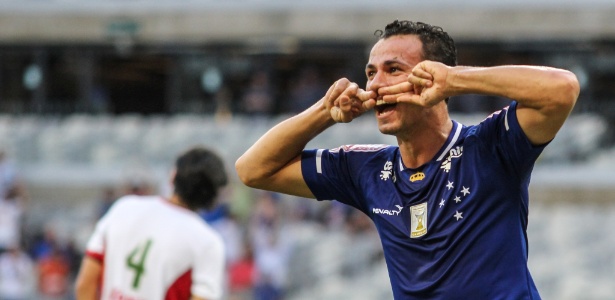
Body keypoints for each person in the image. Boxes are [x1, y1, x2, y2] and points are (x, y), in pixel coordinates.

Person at [235, 20, 580, 299]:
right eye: (371, 73)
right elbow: (252, 169)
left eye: (393, 70)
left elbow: (563, 89)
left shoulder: (491, 146)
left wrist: (456, 80)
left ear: (434, 78)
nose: (375, 86)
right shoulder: (365, 168)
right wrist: (324, 112)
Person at [75, 146, 229, 300]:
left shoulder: (123, 208)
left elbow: (85, 285)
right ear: (214, 197)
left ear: (173, 176)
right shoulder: (207, 242)